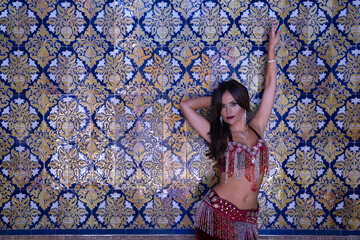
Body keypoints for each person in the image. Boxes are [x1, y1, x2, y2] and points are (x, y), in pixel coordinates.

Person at [180, 21, 281, 240]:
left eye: (233, 104)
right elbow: (186, 106)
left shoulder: (257, 127)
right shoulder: (219, 134)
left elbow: (271, 85)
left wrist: (271, 50)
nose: (228, 111)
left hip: (248, 220)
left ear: (243, 102)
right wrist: (219, 99)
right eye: (223, 107)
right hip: (219, 216)